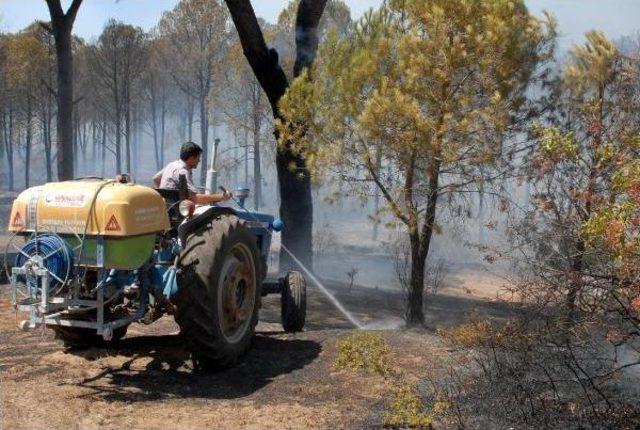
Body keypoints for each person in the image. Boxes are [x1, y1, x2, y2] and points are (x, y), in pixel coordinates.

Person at [153, 141, 231, 204]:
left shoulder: (171, 165)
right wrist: (221, 197)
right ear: (191, 158)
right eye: (198, 158)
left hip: (165, 207)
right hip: (177, 210)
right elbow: (195, 198)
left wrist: (163, 194)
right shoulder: (182, 171)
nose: (199, 160)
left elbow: (156, 179)